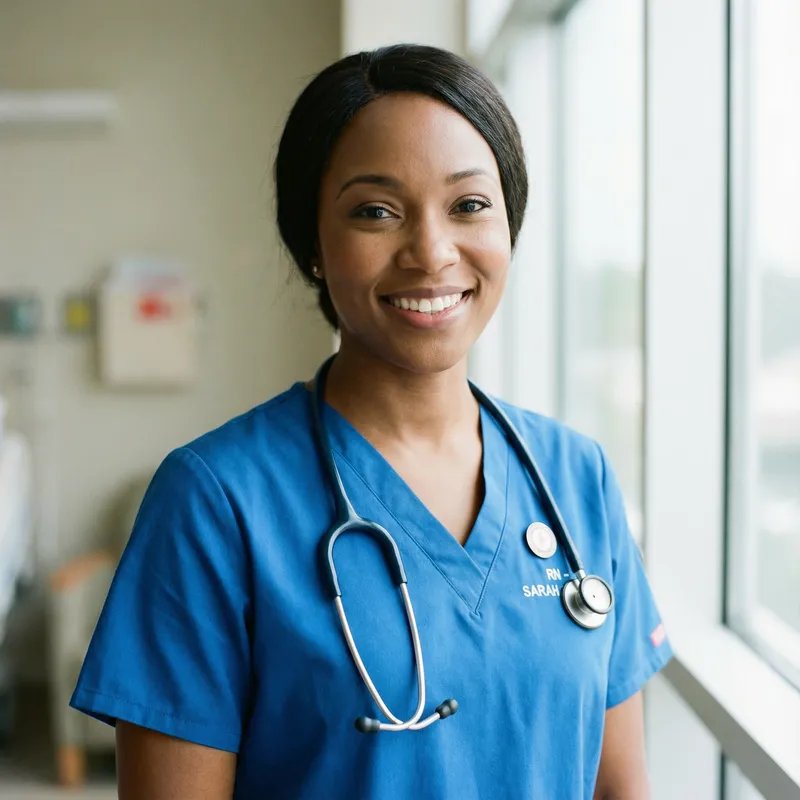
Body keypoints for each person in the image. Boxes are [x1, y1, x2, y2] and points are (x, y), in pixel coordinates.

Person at [71, 44, 673, 799]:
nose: (431, 251)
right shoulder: (215, 502)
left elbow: (623, 788)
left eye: (469, 205)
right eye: (375, 211)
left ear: (509, 225)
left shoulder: (575, 476)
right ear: (313, 244)